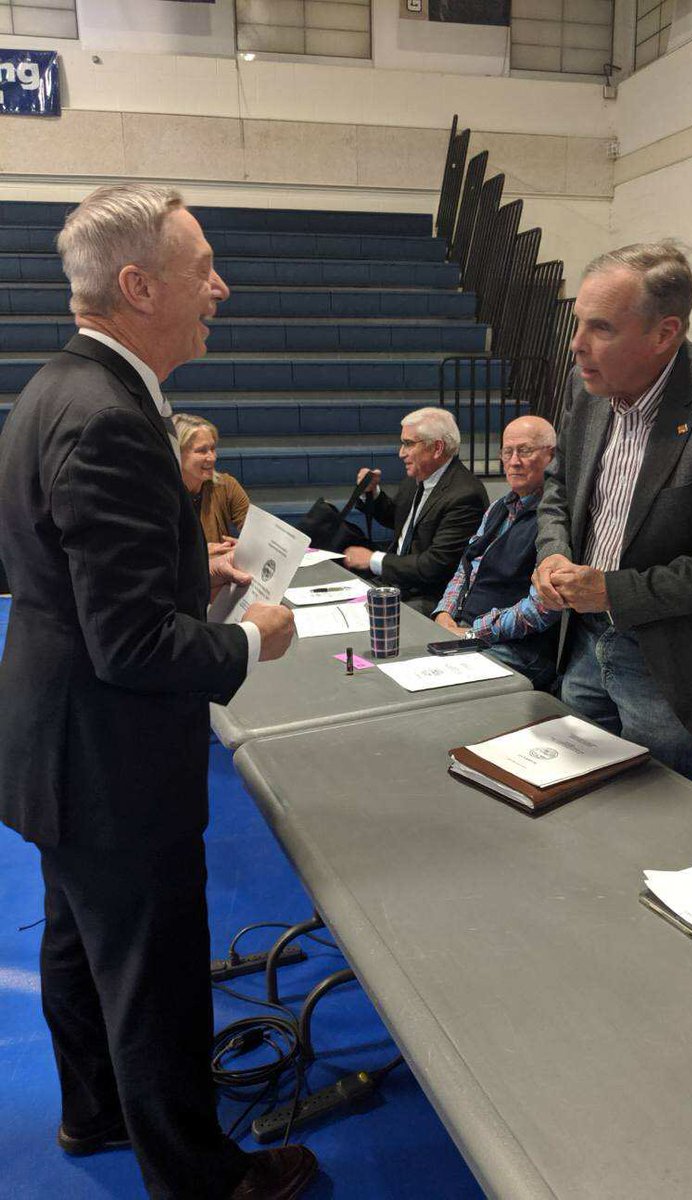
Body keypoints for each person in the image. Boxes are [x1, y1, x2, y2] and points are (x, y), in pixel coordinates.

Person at [0, 183, 317, 1198]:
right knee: (154, 978)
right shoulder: (110, 419)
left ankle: (94, 1112)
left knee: (78, 944)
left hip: (58, 745)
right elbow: (132, 646)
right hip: (113, 762)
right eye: (203, 270)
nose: (221, 289)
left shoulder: (58, 387)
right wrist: (253, 638)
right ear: (139, 286)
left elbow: (72, 578)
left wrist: (190, 572)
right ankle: (202, 1179)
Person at [533, 242, 692, 794]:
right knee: (577, 801)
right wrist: (553, 553)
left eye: (601, 327)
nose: (577, 344)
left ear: (664, 333)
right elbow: (559, 488)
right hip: (584, 643)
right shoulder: (586, 386)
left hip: (675, 667)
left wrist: (613, 592)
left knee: (664, 819)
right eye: (579, 322)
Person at [432, 415, 560, 688]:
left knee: (439, 687)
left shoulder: (556, 522)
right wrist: (444, 613)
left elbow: (543, 609)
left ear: (551, 456)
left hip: (519, 649)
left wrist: (473, 633)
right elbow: (466, 568)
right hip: (468, 633)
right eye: (507, 451)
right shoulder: (498, 507)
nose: (514, 461)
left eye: (525, 450)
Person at [343, 406, 488, 614]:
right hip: (395, 581)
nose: (401, 453)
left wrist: (372, 559)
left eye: (408, 444)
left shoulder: (465, 495)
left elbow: (435, 566)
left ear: (437, 448)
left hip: (427, 595)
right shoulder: (418, 477)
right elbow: (399, 519)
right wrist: (372, 493)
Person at [173, 412, 250, 549]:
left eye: (213, 449)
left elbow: (259, 535)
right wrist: (201, 555)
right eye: (202, 451)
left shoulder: (226, 485)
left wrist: (246, 547)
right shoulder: (162, 494)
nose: (212, 457)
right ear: (177, 454)